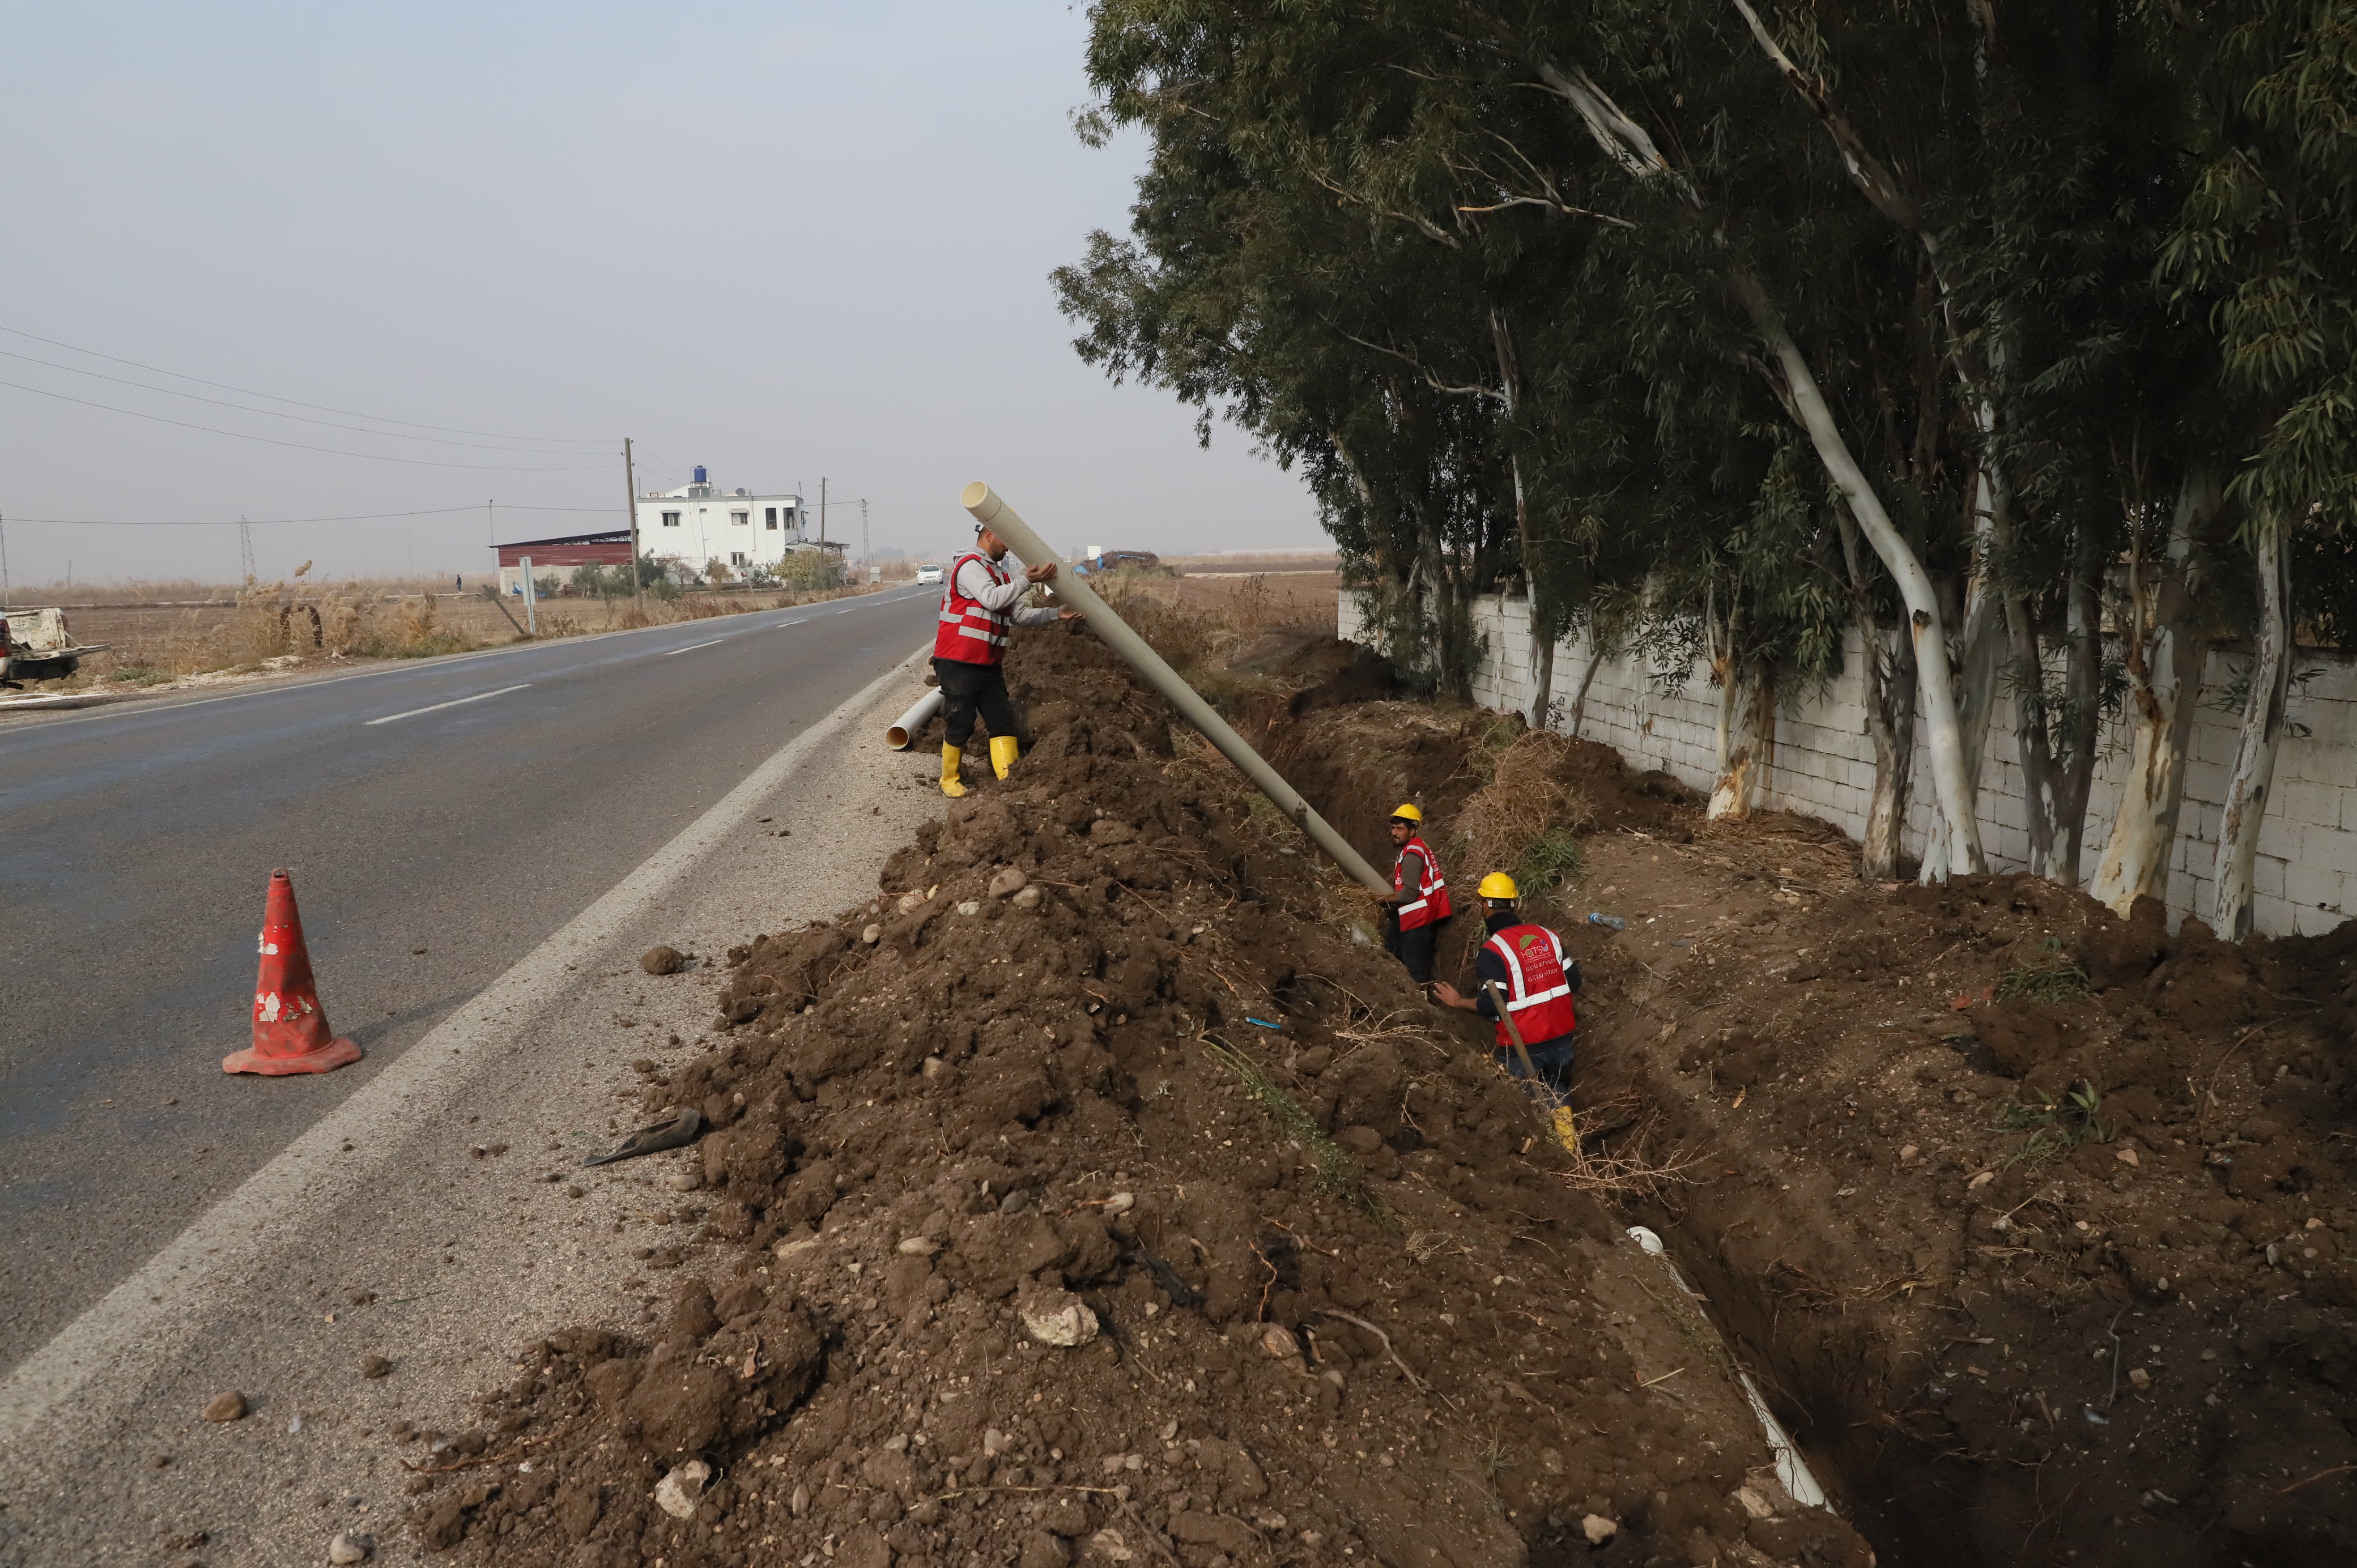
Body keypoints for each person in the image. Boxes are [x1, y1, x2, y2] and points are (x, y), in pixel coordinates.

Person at [933, 519, 1080, 797]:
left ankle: (1008, 779)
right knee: (961, 721)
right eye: (1005, 541)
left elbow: (1019, 615)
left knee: (1002, 721)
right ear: (989, 535)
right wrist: (1026, 581)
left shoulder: (999, 574)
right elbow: (991, 599)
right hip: (958, 661)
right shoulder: (969, 566)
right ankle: (949, 779)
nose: (1009, 548)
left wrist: (1056, 613)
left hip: (988, 664)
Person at [1435, 872, 1579, 1098]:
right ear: (1514, 904)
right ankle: (1566, 1129)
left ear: (1485, 907)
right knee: (1557, 1092)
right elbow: (1575, 982)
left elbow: (1494, 1005)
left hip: (1523, 1048)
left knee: (1526, 1108)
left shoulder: (1493, 951)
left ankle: (1556, 1131)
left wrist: (1458, 1002)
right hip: (1562, 1041)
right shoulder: (1548, 936)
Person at [1380, 803, 1452, 985]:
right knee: (1390, 952)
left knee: (1416, 974)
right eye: (1393, 828)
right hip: (1415, 918)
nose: (1394, 833)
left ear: (1412, 831)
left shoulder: (1412, 855)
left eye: (1400, 829)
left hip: (1417, 922)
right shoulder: (1416, 847)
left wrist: (1380, 898)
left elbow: (1409, 895)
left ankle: (1422, 1007)